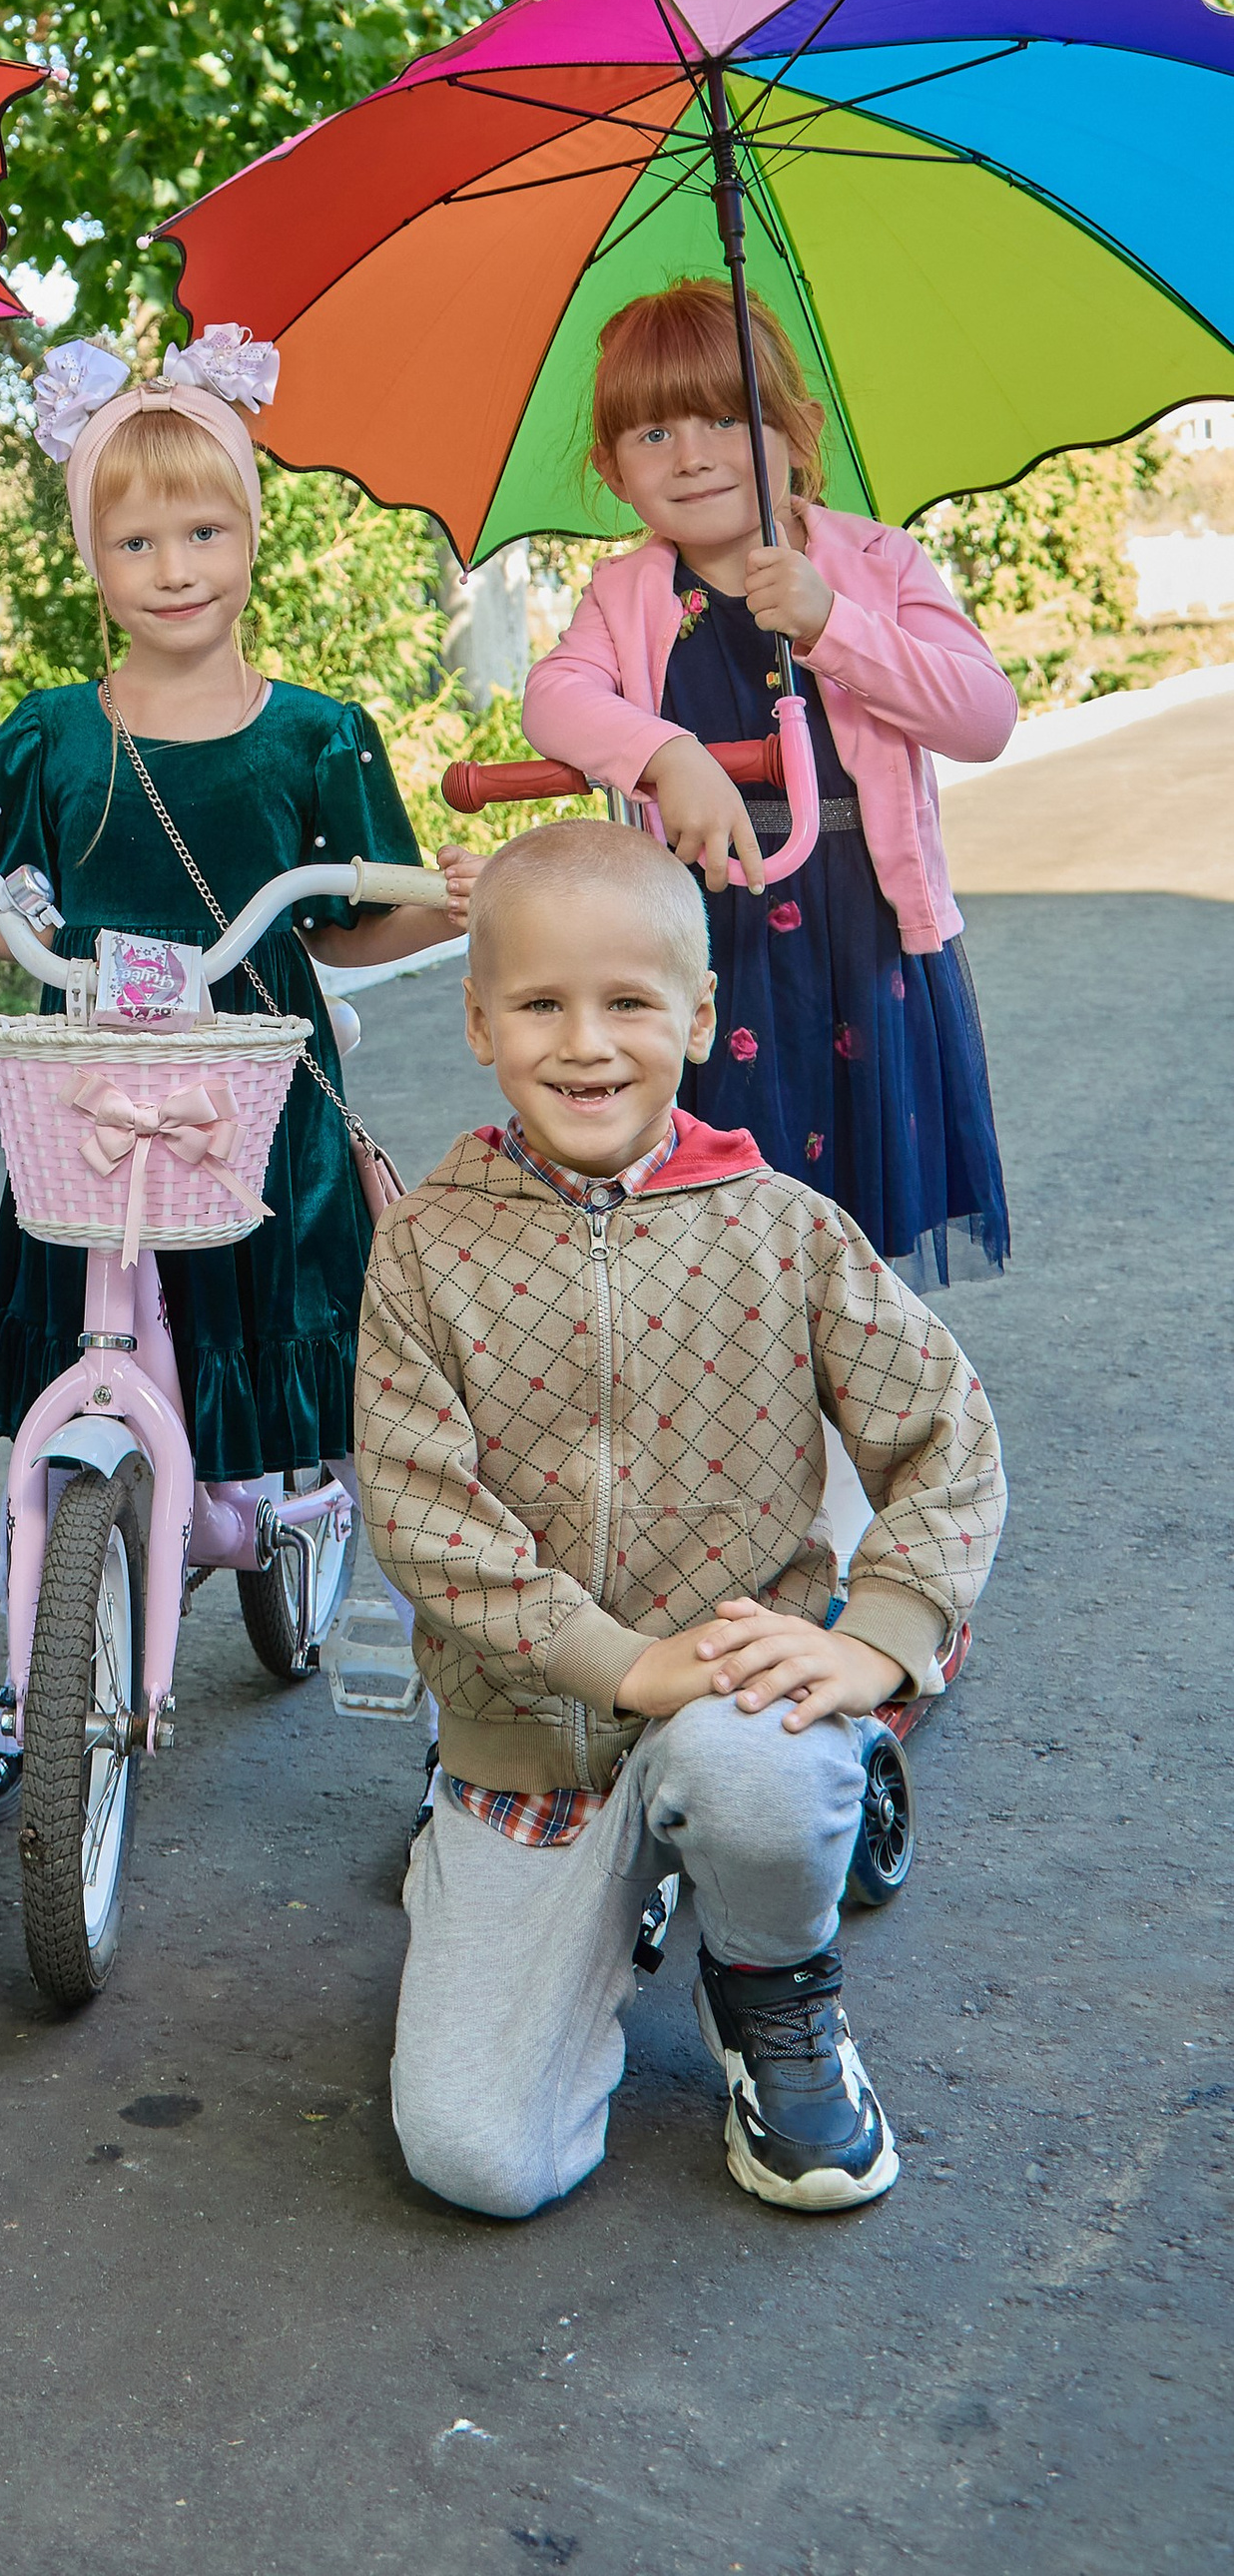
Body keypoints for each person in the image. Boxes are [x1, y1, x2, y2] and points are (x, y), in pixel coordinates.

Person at [359, 818, 1005, 2222]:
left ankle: (769, 1982)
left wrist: (882, 1643)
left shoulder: (784, 1229)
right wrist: (614, 1665)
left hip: (727, 1697)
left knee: (765, 1768)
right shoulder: (423, 1245)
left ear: (699, 1018)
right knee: (481, 2162)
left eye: (630, 1002)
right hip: (528, 1741)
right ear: (478, 1022)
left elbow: (949, 1434)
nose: (586, 1043)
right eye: (539, 1003)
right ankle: (531, 1893)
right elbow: (420, 1510)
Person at [0, 329, 478, 1827]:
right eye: (135, 538)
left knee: (272, 1338)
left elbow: (346, 927)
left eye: (204, 530)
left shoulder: (316, 734)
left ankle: (344, 1578)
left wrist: (451, 899)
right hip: (88, 1105)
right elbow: (3, 890)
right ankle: (40, 1663)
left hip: (256, 1103)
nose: (174, 566)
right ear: (91, 553)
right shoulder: (52, 731)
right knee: (86, 1341)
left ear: (251, 534)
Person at [522, 278, 1019, 1283]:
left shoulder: (874, 563)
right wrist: (669, 756)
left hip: (860, 937)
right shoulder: (626, 594)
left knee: (858, 1220)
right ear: (611, 469)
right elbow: (556, 700)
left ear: (797, 431)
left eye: (723, 417)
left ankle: (856, 1414)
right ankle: (747, 1420)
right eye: (652, 433)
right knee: (723, 1221)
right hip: (706, 943)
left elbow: (980, 715)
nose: (693, 454)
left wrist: (835, 624)